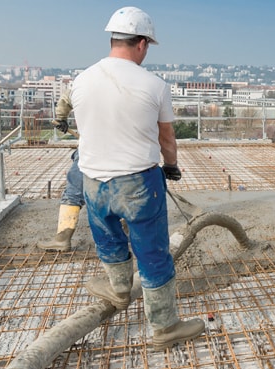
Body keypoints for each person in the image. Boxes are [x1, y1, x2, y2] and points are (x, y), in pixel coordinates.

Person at [71, 6, 204, 350]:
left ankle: (118, 289)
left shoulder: (81, 79)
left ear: (113, 39)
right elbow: (167, 139)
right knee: (152, 252)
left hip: (92, 181)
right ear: (142, 43)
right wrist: (171, 166)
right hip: (138, 183)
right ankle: (164, 326)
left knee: (109, 237)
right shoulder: (154, 85)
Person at [37, 92, 83, 252]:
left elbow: (65, 99)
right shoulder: (136, 83)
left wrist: (61, 118)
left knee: (73, 192)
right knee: (119, 192)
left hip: (91, 150)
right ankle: (125, 238)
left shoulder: (87, 81)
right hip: (126, 152)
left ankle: (62, 239)